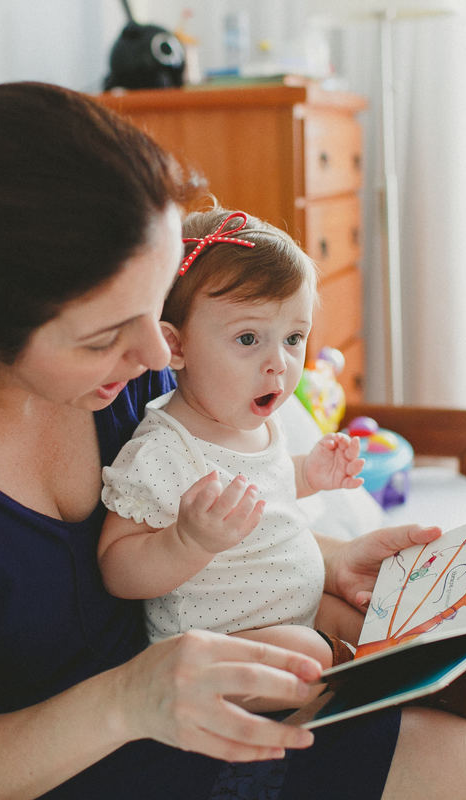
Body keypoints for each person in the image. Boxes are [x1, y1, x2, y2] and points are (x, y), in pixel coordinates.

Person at [0, 81, 466, 799]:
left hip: (191, 697)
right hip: (68, 760)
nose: (154, 355)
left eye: (153, 310)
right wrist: (129, 700)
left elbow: (207, 498)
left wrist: (327, 563)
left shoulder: (129, 376)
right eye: (106, 335)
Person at [98, 208, 367, 672]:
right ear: (175, 348)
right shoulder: (163, 452)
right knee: (312, 650)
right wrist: (187, 541)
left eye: (293, 338)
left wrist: (308, 473)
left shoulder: (261, 427)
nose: (279, 363)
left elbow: (266, 485)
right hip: (216, 657)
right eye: (248, 338)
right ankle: (370, 684)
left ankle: (422, 678)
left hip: (298, 616)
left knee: (370, 622)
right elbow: (115, 566)